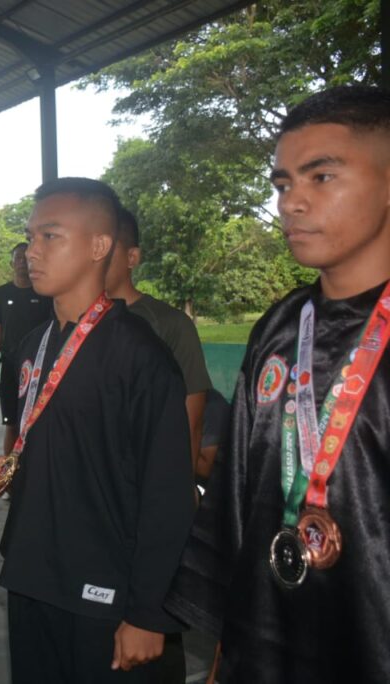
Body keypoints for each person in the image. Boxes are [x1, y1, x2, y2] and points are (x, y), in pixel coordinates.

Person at [165, 85, 390, 683]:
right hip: (264, 647)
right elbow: (239, 487)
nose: (292, 203)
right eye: (283, 183)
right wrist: (223, 654)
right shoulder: (282, 325)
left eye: (321, 178)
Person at [0, 177, 194, 684]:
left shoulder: (138, 354)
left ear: (99, 247)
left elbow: (167, 491)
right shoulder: (33, 347)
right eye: (30, 236)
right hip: (32, 575)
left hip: (104, 589)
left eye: (50, 237)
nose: (31, 252)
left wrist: (148, 611)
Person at [102, 207, 213, 682]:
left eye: (107, 247)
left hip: (149, 504)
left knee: (152, 638)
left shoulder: (167, 325)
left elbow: (187, 425)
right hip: (96, 510)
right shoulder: (68, 324)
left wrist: (175, 504)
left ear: (131, 256)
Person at [0, 242, 54, 455]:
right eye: (18, 258)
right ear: (11, 263)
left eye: (26, 258)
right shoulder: (1, 293)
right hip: (10, 367)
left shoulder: (45, 293)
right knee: (12, 423)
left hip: (39, 368)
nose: (22, 263)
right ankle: (9, 477)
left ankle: (35, 471)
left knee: (38, 422)